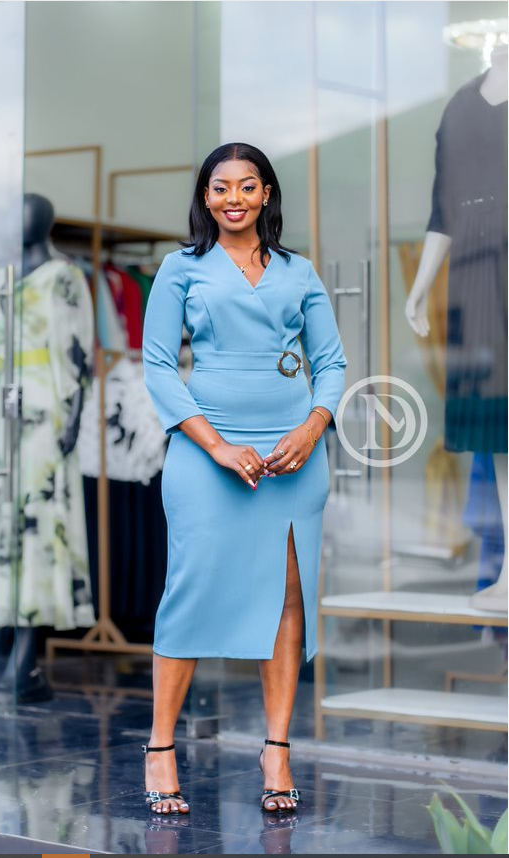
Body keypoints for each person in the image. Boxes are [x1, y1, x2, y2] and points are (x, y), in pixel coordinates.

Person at [142, 142, 347, 815]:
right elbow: (158, 368)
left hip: (293, 455)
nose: (234, 199)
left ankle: (276, 748)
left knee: (287, 597)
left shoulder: (298, 272)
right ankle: (160, 748)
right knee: (190, 591)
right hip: (206, 456)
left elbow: (332, 363)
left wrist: (311, 428)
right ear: (205, 198)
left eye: (247, 187)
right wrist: (218, 447)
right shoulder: (179, 269)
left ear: (266, 195)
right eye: (220, 188)